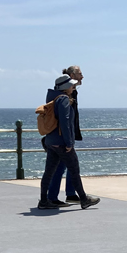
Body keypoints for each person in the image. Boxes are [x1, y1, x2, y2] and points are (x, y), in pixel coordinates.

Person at [38, 75, 100, 210]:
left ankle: (43, 201)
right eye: (71, 85)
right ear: (65, 87)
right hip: (61, 142)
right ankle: (84, 199)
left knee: (48, 172)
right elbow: (65, 123)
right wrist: (69, 143)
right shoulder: (64, 99)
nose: (73, 87)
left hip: (50, 141)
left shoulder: (52, 98)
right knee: (74, 170)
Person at [46, 66, 84, 205]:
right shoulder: (64, 95)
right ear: (72, 75)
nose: (82, 76)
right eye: (80, 74)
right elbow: (65, 119)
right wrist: (69, 141)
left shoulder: (66, 92)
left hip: (61, 136)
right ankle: (57, 196)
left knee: (61, 167)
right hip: (63, 137)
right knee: (64, 167)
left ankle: (65, 194)